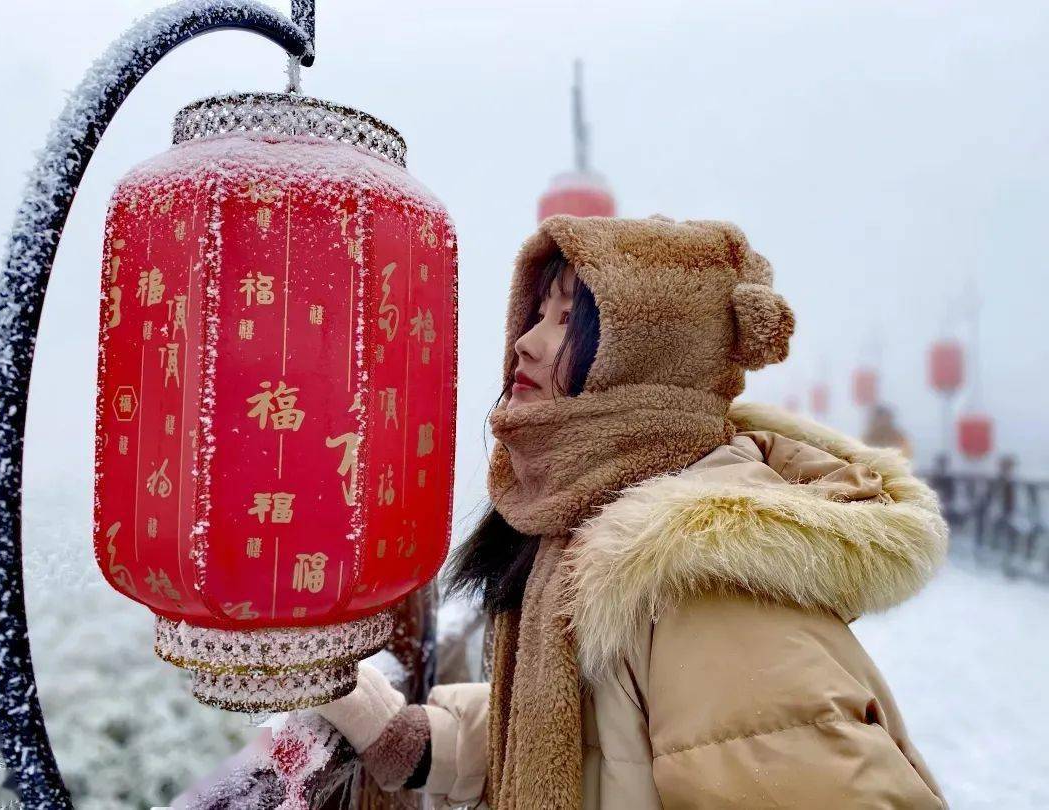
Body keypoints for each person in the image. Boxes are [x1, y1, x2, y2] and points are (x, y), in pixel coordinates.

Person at [311, 215, 949, 809]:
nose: (525, 344)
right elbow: (590, 736)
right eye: (536, 314)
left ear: (645, 357)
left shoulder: (701, 574)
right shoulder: (605, 520)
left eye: (567, 321)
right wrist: (411, 739)